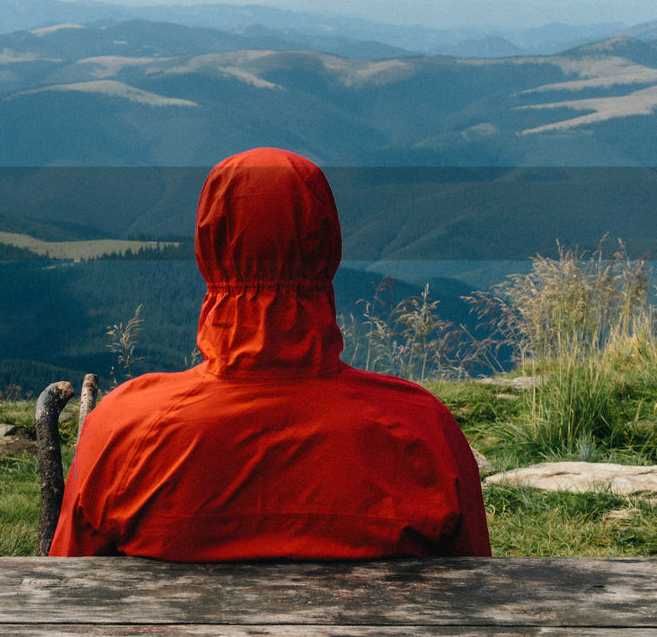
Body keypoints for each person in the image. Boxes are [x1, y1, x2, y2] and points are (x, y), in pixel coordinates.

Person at [49, 147, 490, 559]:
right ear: (325, 245)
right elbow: (476, 589)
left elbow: (65, 587)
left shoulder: (124, 429)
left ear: (211, 247)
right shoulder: (420, 431)